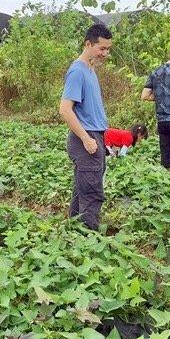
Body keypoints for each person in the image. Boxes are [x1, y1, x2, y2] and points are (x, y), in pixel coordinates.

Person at [59, 24, 112, 231]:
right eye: (102, 49)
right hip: (86, 138)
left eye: (108, 49)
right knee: (91, 193)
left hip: (95, 135)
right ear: (88, 44)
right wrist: (86, 139)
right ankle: (89, 242)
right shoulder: (78, 71)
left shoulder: (90, 69)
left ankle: (74, 233)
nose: (105, 54)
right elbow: (65, 110)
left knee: (83, 190)